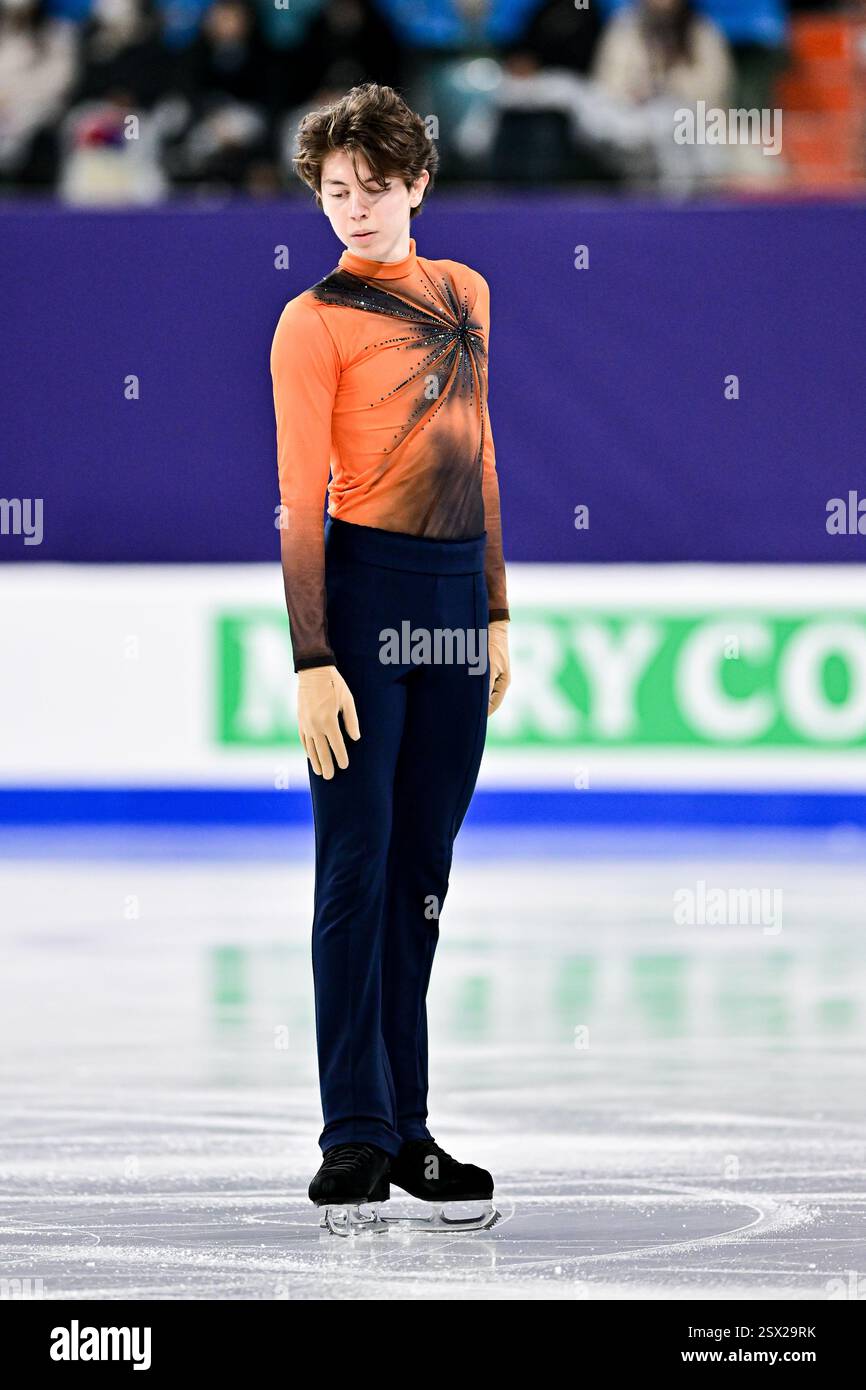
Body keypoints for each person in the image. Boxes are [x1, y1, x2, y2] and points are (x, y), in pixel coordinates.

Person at [269, 81, 511, 1231]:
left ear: (417, 182)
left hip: (454, 605)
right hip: (361, 603)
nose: (354, 208)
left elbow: (479, 455)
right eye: (334, 191)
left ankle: (408, 1131)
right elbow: (297, 502)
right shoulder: (310, 321)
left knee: (421, 873)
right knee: (356, 866)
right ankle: (352, 1133)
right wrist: (311, 656)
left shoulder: (464, 293)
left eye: (372, 187)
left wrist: (494, 610)